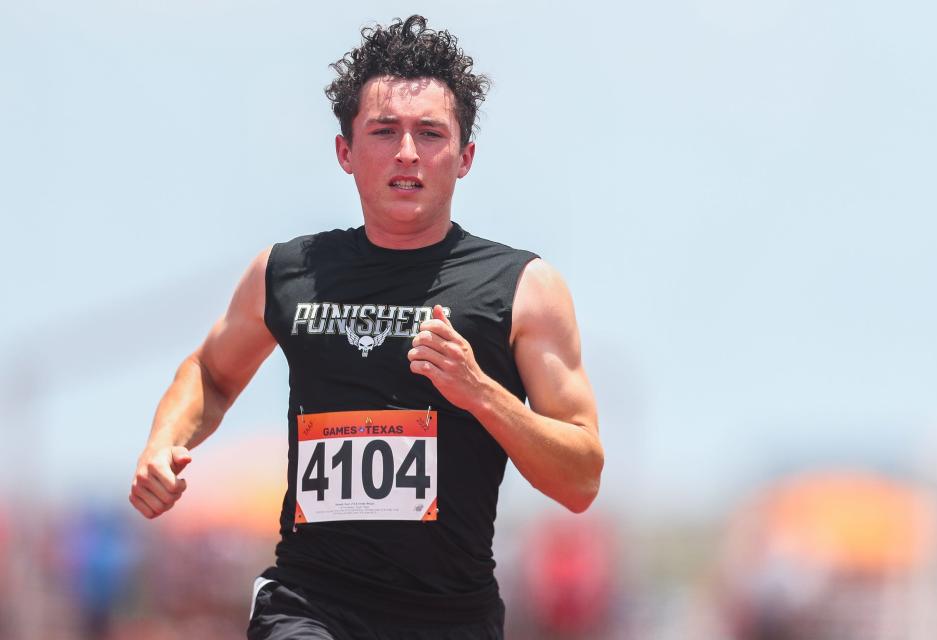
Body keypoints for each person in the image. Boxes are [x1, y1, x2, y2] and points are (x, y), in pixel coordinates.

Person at [129, 14, 603, 639]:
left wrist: (482, 392)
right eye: (385, 131)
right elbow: (210, 373)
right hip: (310, 602)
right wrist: (162, 442)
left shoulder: (523, 288)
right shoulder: (287, 272)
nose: (407, 153)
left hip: (449, 616)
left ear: (464, 157)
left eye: (430, 133)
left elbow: (581, 477)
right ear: (346, 152)